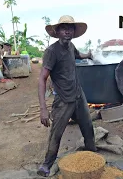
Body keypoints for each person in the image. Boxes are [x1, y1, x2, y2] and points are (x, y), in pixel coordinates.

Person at [37, 15, 97, 177]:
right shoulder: (52, 51)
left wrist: (89, 55)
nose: (67, 31)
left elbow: (78, 55)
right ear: (57, 31)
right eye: (64, 28)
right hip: (63, 100)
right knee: (56, 133)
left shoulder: (71, 47)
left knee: (88, 128)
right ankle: (47, 164)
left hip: (79, 95)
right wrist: (43, 109)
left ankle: (92, 158)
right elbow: (42, 79)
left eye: (70, 28)